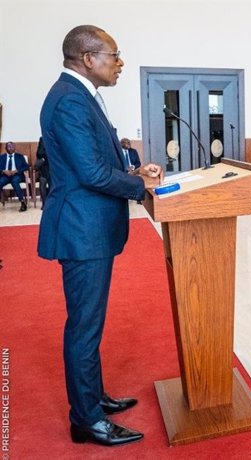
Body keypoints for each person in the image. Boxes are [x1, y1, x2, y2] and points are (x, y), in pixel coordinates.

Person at [38, 25, 163, 446]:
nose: (120, 62)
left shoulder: (79, 95)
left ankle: (92, 398)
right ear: (88, 58)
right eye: (114, 54)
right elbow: (90, 174)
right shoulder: (70, 100)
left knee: (89, 324)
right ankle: (87, 420)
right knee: (84, 328)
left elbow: (90, 164)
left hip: (89, 226)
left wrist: (132, 174)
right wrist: (139, 185)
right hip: (81, 230)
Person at [0, 142, 30, 211]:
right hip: (6, 176)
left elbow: (26, 166)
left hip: (17, 175)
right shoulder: (1, 157)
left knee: (15, 181)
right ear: (6, 148)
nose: (11, 148)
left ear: (14, 147)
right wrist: (3, 171)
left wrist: (16, 171)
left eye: (12, 146)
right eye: (9, 147)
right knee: (0, 181)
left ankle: (22, 203)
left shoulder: (20, 156)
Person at [35, 137, 51, 208]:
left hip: (55, 167)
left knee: (54, 184)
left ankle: (52, 202)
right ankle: (44, 204)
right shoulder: (42, 139)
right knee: (42, 182)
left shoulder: (58, 137)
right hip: (44, 168)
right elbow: (39, 153)